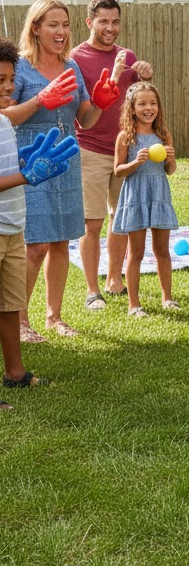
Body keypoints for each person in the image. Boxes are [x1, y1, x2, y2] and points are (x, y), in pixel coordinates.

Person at [6, 0, 118, 342]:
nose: (61, 32)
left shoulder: (71, 67)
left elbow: (84, 119)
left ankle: (54, 316)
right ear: (35, 28)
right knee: (35, 245)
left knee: (60, 243)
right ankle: (20, 321)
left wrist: (100, 101)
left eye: (65, 25)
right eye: (53, 25)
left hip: (66, 161)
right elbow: (3, 118)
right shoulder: (20, 69)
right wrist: (41, 99)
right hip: (31, 162)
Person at [0, 37, 80, 406]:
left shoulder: (3, 121)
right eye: (0, 80)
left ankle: (15, 373)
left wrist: (25, 161)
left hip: (13, 225)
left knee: (9, 305)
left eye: (10, 79)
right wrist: (27, 176)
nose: (8, 87)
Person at [71, 0, 153, 310]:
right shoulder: (76, 58)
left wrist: (144, 72)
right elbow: (82, 110)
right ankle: (93, 290)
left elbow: (138, 96)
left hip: (126, 151)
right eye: (103, 21)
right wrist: (115, 75)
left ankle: (115, 278)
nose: (110, 28)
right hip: (90, 149)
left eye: (115, 21)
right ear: (89, 22)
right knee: (92, 224)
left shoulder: (126, 55)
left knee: (122, 219)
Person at [112, 82, 179, 317]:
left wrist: (171, 157)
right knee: (136, 253)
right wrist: (135, 162)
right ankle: (134, 304)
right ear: (132, 108)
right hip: (136, 196)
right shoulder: (125, 137)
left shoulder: (163, 135)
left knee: (162, 250)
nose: (148, 108)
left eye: (153, 103)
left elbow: (169, 171)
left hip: (158, 194)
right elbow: (118, 171)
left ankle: (167, 298)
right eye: (142, 104)